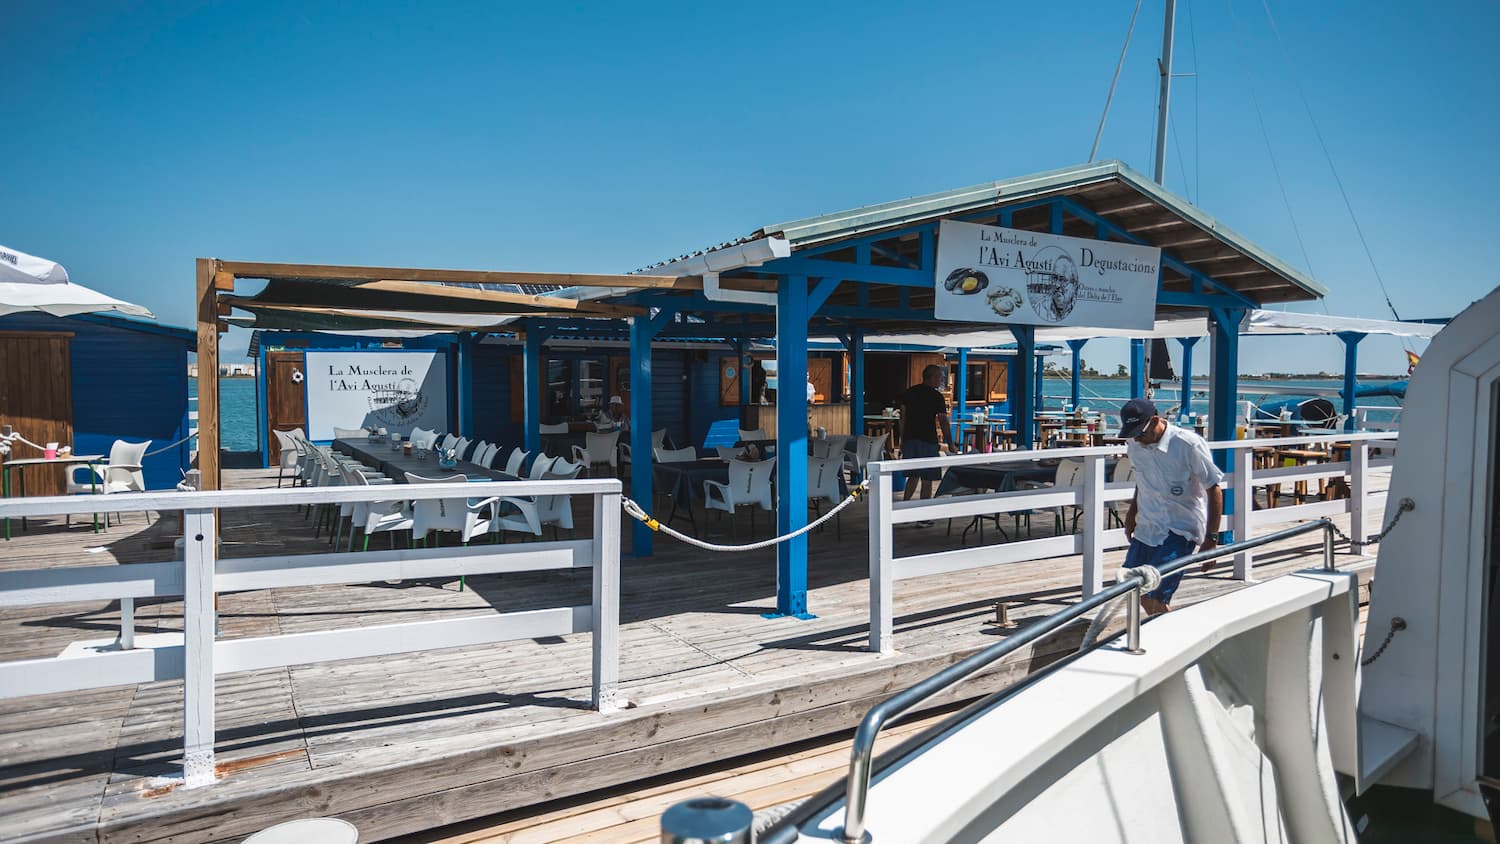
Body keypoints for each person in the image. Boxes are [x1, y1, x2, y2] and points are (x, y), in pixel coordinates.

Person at [1119, 397, 1224, 615]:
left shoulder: (1188, 444)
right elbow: (1142, 482)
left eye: (1141, 433)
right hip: (1147, 526)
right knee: (1131, 586)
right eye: (1133, 434)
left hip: (1180, 529)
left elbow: (1213, 488)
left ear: (1156, 420)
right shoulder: (1134, 444)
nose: (1137, 439)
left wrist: (1211, 539)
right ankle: (1163, 632)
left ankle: (1173, 639)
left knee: (1155, 595)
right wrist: (1131, 514)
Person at [899, 364, 951, 511]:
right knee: (927, 479)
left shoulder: (908, 393)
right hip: (928, 440)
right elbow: (943, 422)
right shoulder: (936, 396)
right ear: (932, 377)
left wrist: (902, 440)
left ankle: (904, 509)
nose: (940, 379)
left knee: (912, 476)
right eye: (939, 376)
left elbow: (902, 418)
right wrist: (950, 443)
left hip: (910, 440)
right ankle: (923, 514)